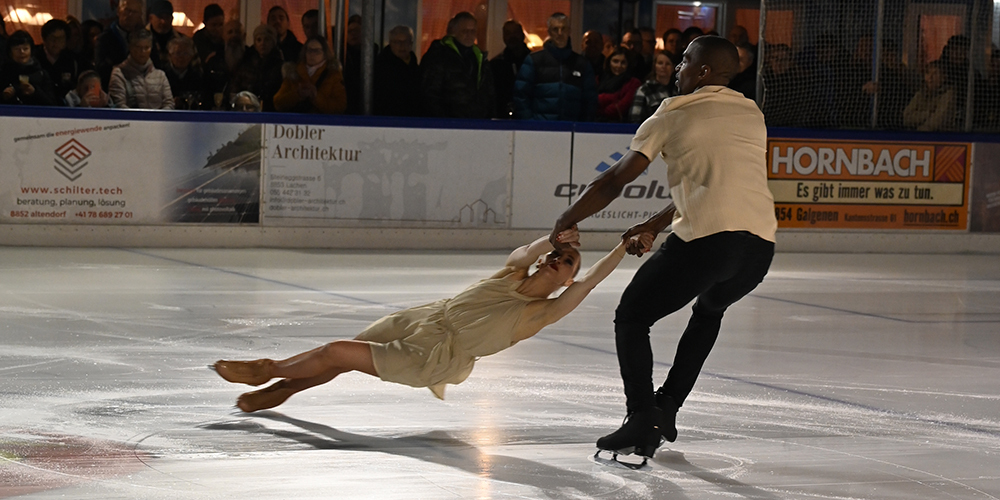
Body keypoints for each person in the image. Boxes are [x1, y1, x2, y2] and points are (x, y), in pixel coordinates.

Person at [550, 36, 776, 462]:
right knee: (708, 313)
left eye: (685, 61)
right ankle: (667, 407)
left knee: (632, 316)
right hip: (758, 249)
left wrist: (568, 218)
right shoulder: (751, 112)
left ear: (703, 71)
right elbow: (719, 181)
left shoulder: (673, 111)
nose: (677, 68)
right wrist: (654, 224)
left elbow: (616, 179)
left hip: (709, 241)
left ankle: (641, 415)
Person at [213, 228, 644, 412]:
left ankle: (266, 371)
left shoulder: (543, 312)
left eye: (567, 262)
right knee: (342, 358)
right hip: (425, 317)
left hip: (435, 355)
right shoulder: (513, 274)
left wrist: (623, 247)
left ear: (567, 280)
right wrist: (551, 239)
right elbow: (525, 254)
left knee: (334, 352)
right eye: (557, 255)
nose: (557, 260)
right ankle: (281, 391)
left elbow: (591, 281)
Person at [512, 12, 597, 122]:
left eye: (563, 29)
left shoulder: (582, 64)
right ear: (549, 33)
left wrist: (581, 126)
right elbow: (521, 95)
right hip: (540, 127)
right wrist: (531, 124)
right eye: (555, 29)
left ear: (569, 31)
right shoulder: (534, 61)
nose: (560, 33)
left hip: (572, 129)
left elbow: (590, 100)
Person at [420, 11, 495, 119]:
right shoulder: (439, 56)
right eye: (465, 31)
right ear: (454, 31)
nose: (469, 35)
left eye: (472, 31)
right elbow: (430, 94)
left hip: (478, 123)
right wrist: (444, 121)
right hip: (449, 124)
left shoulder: (480, 59)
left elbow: (490, 94)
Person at [273, 36, 346, 114]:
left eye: (317, 51)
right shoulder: (293, 73)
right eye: (309, 50)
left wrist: (316, 97)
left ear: (325, 54)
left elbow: (340, 106)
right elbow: (278, 102)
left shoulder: (333, 75)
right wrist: (297, 94)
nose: (312, 54)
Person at [108, 29, 174, 109]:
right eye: (138, 47)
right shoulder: (119, 74)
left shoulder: (160, 75)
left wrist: (158, 116)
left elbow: (169, 103)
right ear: (130, 47)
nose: (143, 51)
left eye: (147, 47)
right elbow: (119, 104)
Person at [228, 24, 284, 112]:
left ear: (273, 42)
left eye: (267, 39)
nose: (262, 43)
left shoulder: (280, 67)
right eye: (259, 40)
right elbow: (235, 87)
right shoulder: (245, 64)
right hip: (247, 110)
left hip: (271, 111)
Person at [95, 0, 146, 87]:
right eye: (127, 10)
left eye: (134, 12)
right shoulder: (105, 39)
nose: (130, 15)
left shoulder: (145, 38)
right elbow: (101, 69)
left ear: (140, 15)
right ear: (118, 11)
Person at [373, 25, 421, 117]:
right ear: (390, 43)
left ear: (411, 44)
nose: (402, 46)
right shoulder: (381, 67)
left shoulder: (415, 67)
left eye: (406, 42)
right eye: (397, 42)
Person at [1, 30, 58, 106]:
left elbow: (52, 103)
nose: (22, 52)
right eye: (17, 49)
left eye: (25, 49)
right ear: (10, 52)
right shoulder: (4, 73)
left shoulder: (41, 74)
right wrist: (4, 95)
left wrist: (35, 92)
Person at [34, 19, 82, 102]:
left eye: (60, 39)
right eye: (52, 38)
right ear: (44, 39)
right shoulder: (34, 57)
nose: (56, 43)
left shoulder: (72, 59)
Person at [490, 20, 530, 119]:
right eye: (508, 33)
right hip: (502, 117)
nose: (512, 37)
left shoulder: (534, 61)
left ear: (522, 35)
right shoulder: (495, 64)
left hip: (529, 116)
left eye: (515, 32)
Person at [902, 61, 956, 132]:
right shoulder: (920, 94)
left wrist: (919, 131)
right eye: (927, 73)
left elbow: (937, 121)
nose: (930, 77)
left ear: (943, 77)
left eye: (935, 73)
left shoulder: (948, 94)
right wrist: (927, 114)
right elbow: (906, 118)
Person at [630, 51, 677, 123]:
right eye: (660, 63)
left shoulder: (678, 90)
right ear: (654, 66)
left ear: (673, 67)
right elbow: (635, 117)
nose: (663, 66)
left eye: (667, 64)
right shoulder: (644, 90)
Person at [597, 47, 641, 122]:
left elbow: (620, 108)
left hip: (621, 125)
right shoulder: (599, 79)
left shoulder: (633, 83)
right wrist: (615, 97)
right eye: (615, 61)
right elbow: (592, 103)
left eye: (623, 63)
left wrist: (601, 101)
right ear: (609, 62)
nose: (619, 66)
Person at [163, 36, 203, 109]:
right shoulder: (162, 76)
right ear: (170, 55)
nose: (181, 57)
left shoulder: (198, 77)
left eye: (185, 54)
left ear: (191, 56)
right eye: (178, 53)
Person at [147, 0, 184, 70]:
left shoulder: (184, 41)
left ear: (172, 19)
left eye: (167, 17)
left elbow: (196, 70)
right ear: (151, 18)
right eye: (160, 17)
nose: (163, 21)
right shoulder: (139, 39)